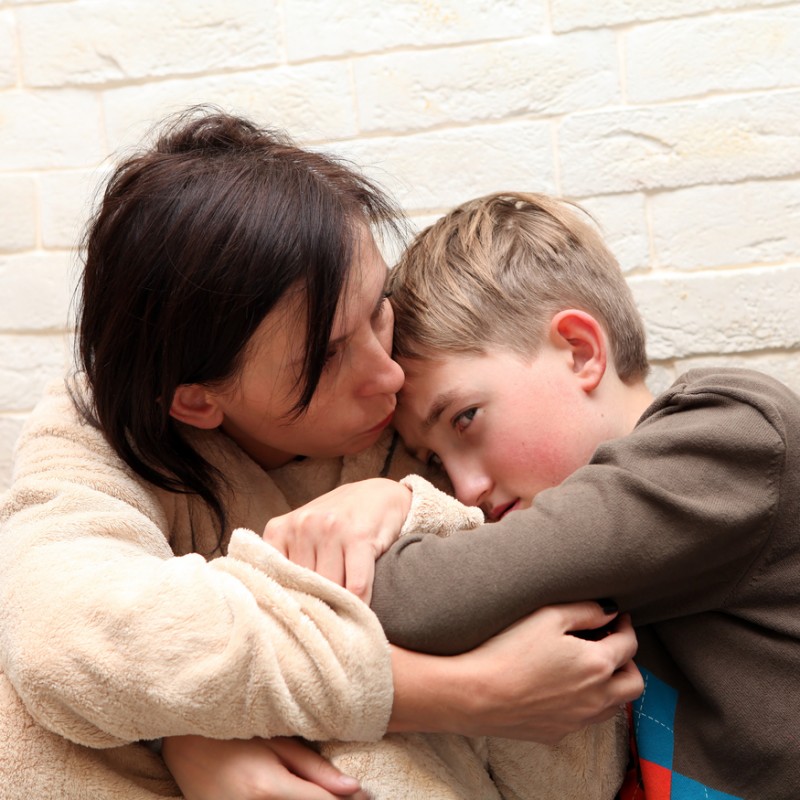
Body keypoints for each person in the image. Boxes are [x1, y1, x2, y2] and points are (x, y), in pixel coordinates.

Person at [0, 112, 641, 800]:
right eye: (328, 356)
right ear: (196, 402)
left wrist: (407, 504)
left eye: (376, 310)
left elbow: (557, 638)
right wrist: (446, 693)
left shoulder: (434, 397)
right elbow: (66, 635)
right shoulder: (99, 427)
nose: (388, 374)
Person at [351, 190, 800, 799]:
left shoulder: (732, 435)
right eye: (432, 463)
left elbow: (416, 603)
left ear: (581, 351)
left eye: (465, 419)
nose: (465, 488)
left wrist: (393, 504)